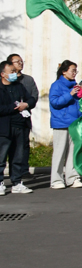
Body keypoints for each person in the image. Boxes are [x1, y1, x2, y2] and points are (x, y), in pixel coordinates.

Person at [48, 60, 82, 189]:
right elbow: (55, 102)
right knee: (59, 151)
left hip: (74, 123)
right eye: (72, 70)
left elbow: (79, 105)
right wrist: (70, 95)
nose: (75, 73)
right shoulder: (56, 85)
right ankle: (56, 179)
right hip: (61, 123)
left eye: (76, 70)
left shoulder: (75, 85)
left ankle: (72, 178)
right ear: (64, 71)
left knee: (73, 152)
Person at [0, 60, 34, 194]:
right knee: (1, 157)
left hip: (20, 126)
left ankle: (17, 182)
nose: (15, 74)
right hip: (4, 128)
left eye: (15, 71)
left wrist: (26, 105)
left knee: (17, 156)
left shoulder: (19, 86)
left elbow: (31, 99)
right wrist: (14, 108)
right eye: (12, 72)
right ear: (3, 74)